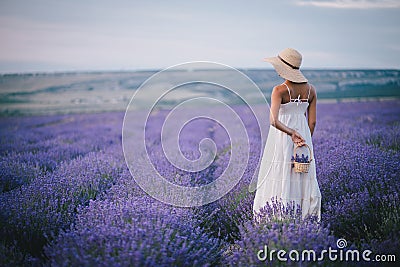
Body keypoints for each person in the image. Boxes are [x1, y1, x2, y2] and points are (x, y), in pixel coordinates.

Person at [253, 48, 321, 220]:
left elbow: (273, 121)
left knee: (279, 171)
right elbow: (312, 122)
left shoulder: (279, 90)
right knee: (301, 175)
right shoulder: (311, 90)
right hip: (303, 137)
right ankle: (305, 216)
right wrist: (303, 143)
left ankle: (277, 216)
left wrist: (291, 134)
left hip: (282, 136)